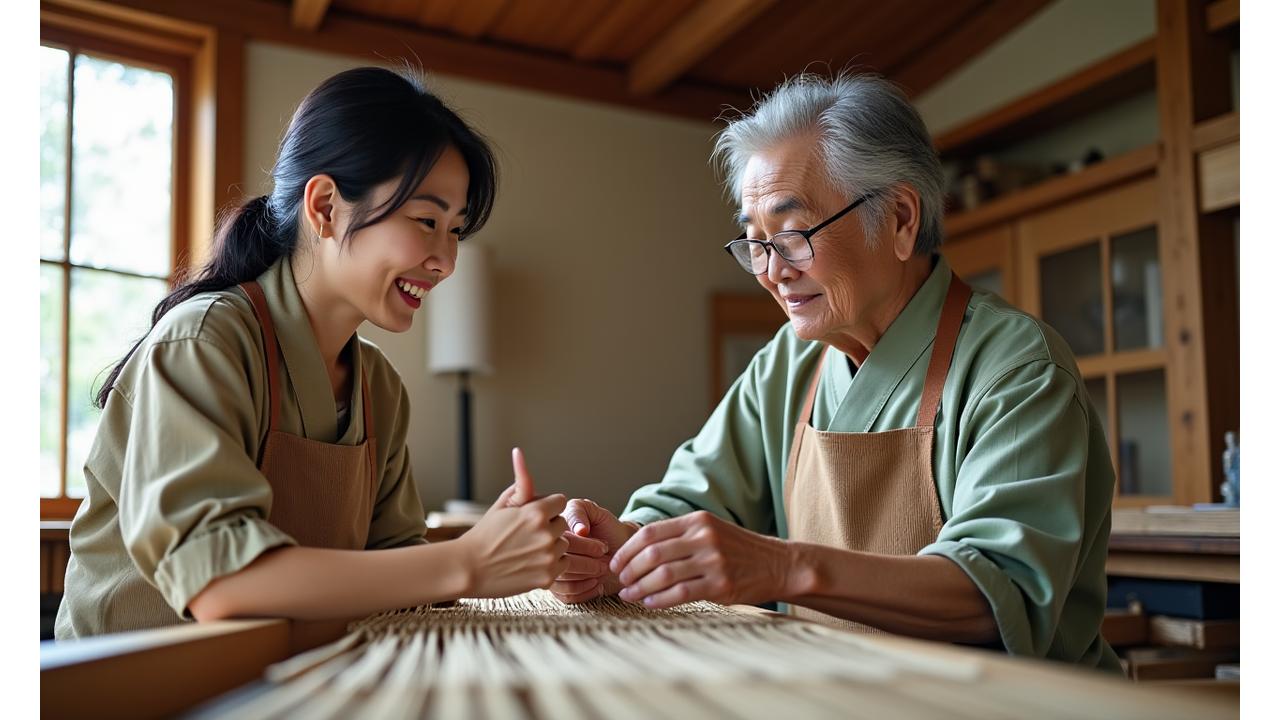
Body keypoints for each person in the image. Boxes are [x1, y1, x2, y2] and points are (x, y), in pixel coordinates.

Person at [550, 72, 1121, 671]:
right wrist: (615, 549)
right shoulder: (790, 362)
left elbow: (996, 596)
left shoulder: (1017, 369)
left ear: (901, 219)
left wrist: (782, 566)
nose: (771, 271)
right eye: (754, 243)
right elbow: (690, 499)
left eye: (792, 235)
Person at [55, 67, 597, 639]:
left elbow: (401, 578)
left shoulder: (378, 387)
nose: (445, 260)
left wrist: (520, 553)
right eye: (425, 220)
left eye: (455, 230)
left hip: (287, 684)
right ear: (325, 207)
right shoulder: (205, 342)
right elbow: (220, 583)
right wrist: (466, 562)